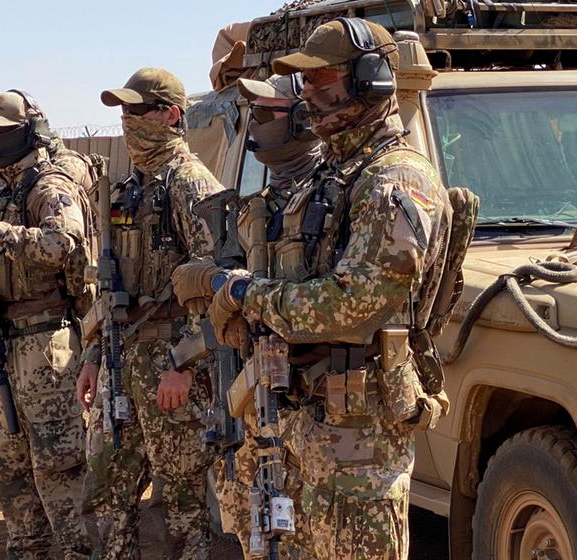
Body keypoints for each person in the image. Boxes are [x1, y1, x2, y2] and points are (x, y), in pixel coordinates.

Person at [184, 18, 455, 559]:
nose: (308, 92)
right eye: (304, 81)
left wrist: (241, 292)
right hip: (302, 426)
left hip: (359, 442)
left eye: (322, 77)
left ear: (370, 78)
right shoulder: (330, 177)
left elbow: (348, 305)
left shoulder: (395, 179)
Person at [75, 67, 222, 559]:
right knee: (108, 489)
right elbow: (108, 285)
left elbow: (221, 283)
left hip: (171, 363)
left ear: (170, 115)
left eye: (137, 110)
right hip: (121, 362)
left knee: (181, 500)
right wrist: (93, 355)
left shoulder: (190, 184)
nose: (127, 120)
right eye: (124, 112)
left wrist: (184, 362)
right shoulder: (124, 188)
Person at [182, 73, 322, 558]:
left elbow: (319, 304)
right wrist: (213, 282)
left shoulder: (331, 199)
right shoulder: (257, 209)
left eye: (265, 113)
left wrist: (233, 288)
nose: (255, 125)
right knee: (254, 532)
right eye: (251, 114)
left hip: (309, 404)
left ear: (303, 119)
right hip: (256, 398)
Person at [0, 90, 93, 560]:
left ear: (30, 132)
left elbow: (62, 245)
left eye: (1, 130)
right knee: (10, 462)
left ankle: (79, 552)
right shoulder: (9, 189)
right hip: (7, 345)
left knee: (58, 465)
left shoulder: (48, 186)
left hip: (46, 342)